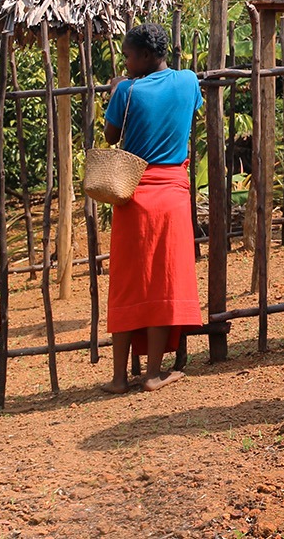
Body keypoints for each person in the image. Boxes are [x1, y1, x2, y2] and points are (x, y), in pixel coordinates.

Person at [102, 22, 204, 393]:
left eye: (128, 56)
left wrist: (116, 91)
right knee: (164, 279)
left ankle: (117, 377)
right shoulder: (189, 80)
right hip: (173, 193)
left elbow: (112, 136)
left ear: (144, 55)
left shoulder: (127, 91)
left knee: (127, 283)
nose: (126, 62)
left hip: (133, 192)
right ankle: (152, 374)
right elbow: (187, 114)